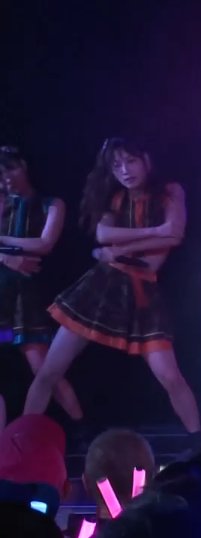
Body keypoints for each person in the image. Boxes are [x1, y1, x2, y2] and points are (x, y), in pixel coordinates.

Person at [22, 138, 201, 437]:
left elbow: (171, 240)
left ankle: (199, 440)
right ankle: (21, 438)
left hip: (142, 293)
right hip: (101, 287)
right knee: (49, 371)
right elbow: (104, 235)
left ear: (146, 160)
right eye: (117, 165)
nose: (124, 171)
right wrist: (156, 232)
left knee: (170, 376)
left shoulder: (170, 191)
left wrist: (120, 249)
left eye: (130, 161)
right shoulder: (117, 198)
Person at [0, 147, 85, 429]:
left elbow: (45, 244)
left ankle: (80, 428)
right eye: (0, 173)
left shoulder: (51, 204)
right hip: (2, 293)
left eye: (11, 169)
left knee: (44, 368)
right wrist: (6, 257)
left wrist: (3, 241)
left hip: (27, 298)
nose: (6, 177)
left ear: (24, 166)